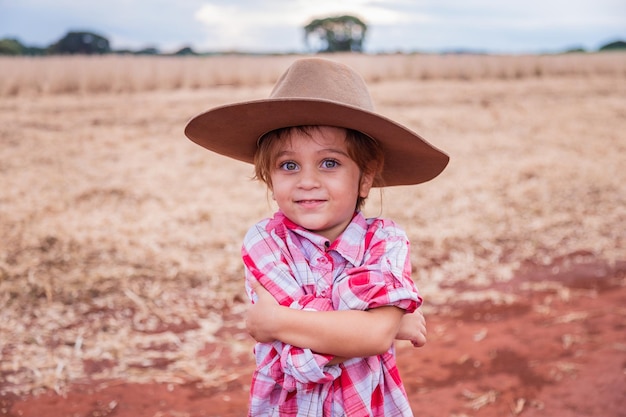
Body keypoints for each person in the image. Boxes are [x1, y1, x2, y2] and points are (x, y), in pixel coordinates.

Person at [184, 58, 449, 416]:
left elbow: (366, 337)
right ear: (269, 178)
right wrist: (381, 325)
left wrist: (277, 322)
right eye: (288, 165)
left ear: (366, 178)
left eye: (329, 163)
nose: (307, 181)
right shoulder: (266, 241)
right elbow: (293, 360)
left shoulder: (386, 241)